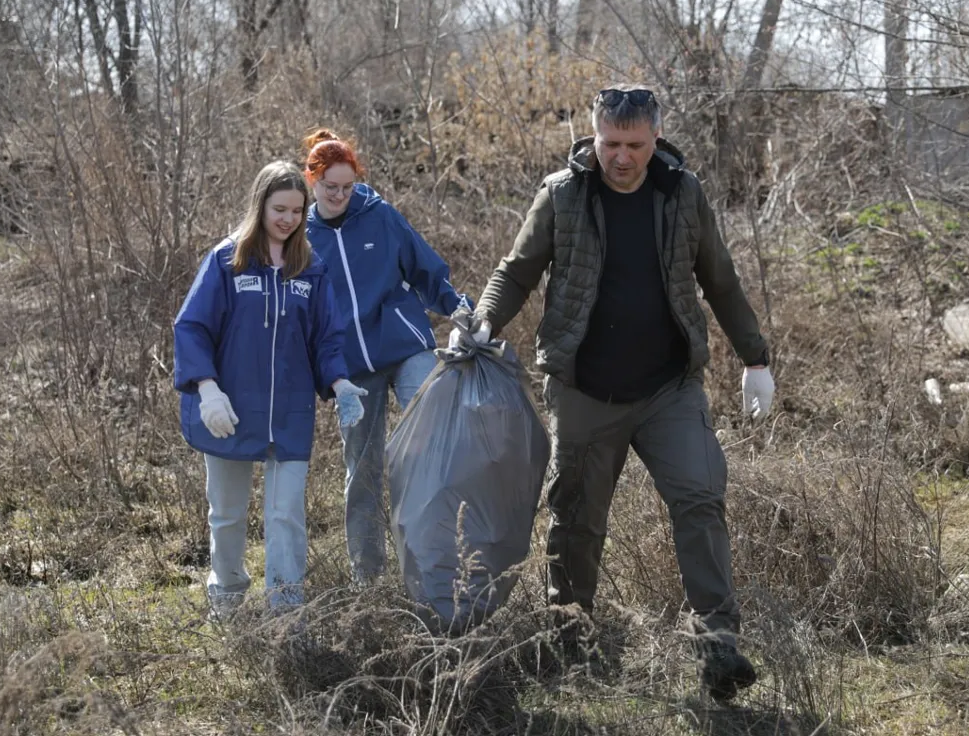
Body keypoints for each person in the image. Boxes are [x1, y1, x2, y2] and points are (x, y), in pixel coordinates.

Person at [462, 86, 776, 700]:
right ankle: (570, 635)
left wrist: (755, 358)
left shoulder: (681, 193)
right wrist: (482, 320)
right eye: (610, 144)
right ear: (594, 136)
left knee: (700, 499)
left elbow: (720, 278)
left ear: (656, 139)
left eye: (634, 145)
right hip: (585, 389)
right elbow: (517, 270)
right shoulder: (563, 194)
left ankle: (718, 645)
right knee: (576, 518)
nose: (622, 157)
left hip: (668, 389)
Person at [173, 160, 369, 614]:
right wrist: (207, 389)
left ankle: (285, 613)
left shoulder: (310, 269)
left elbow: (326, 336)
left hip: (289, 415)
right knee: (227, 516)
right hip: (231, 408)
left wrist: (339, 382)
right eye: (280, 209)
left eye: (298, 211)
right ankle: (226, 598)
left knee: (286, 517)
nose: (289, 219)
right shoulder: (226, 261)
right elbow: (193, 327)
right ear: (259, 206)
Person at [302, 129, 473, 586]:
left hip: (404, 348)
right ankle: (369, 580)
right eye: (329, 187)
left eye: (347, 185)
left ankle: (441, 562)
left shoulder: (380, 217)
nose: (339, 195)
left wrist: (456, 306)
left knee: (428, 429)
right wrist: (321, 374)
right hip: (352, 371)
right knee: (362, 472)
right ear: (311, 182)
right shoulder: (301, 237)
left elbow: (425, 267)